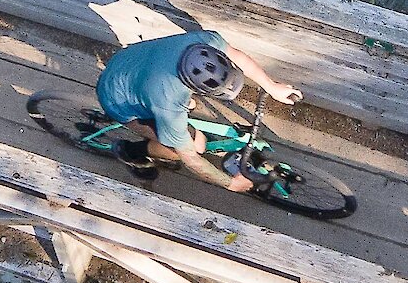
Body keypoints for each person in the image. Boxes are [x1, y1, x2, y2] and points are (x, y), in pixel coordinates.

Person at [95, 30, 300, 192]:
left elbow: (238, 56)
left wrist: (271, 87)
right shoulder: (168, 102)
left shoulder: (203, 41)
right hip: (118, 100)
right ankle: (130, 151)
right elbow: (191, 159)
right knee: (196, 145)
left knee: (186, 118)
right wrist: (230, 184)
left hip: (128, 63)